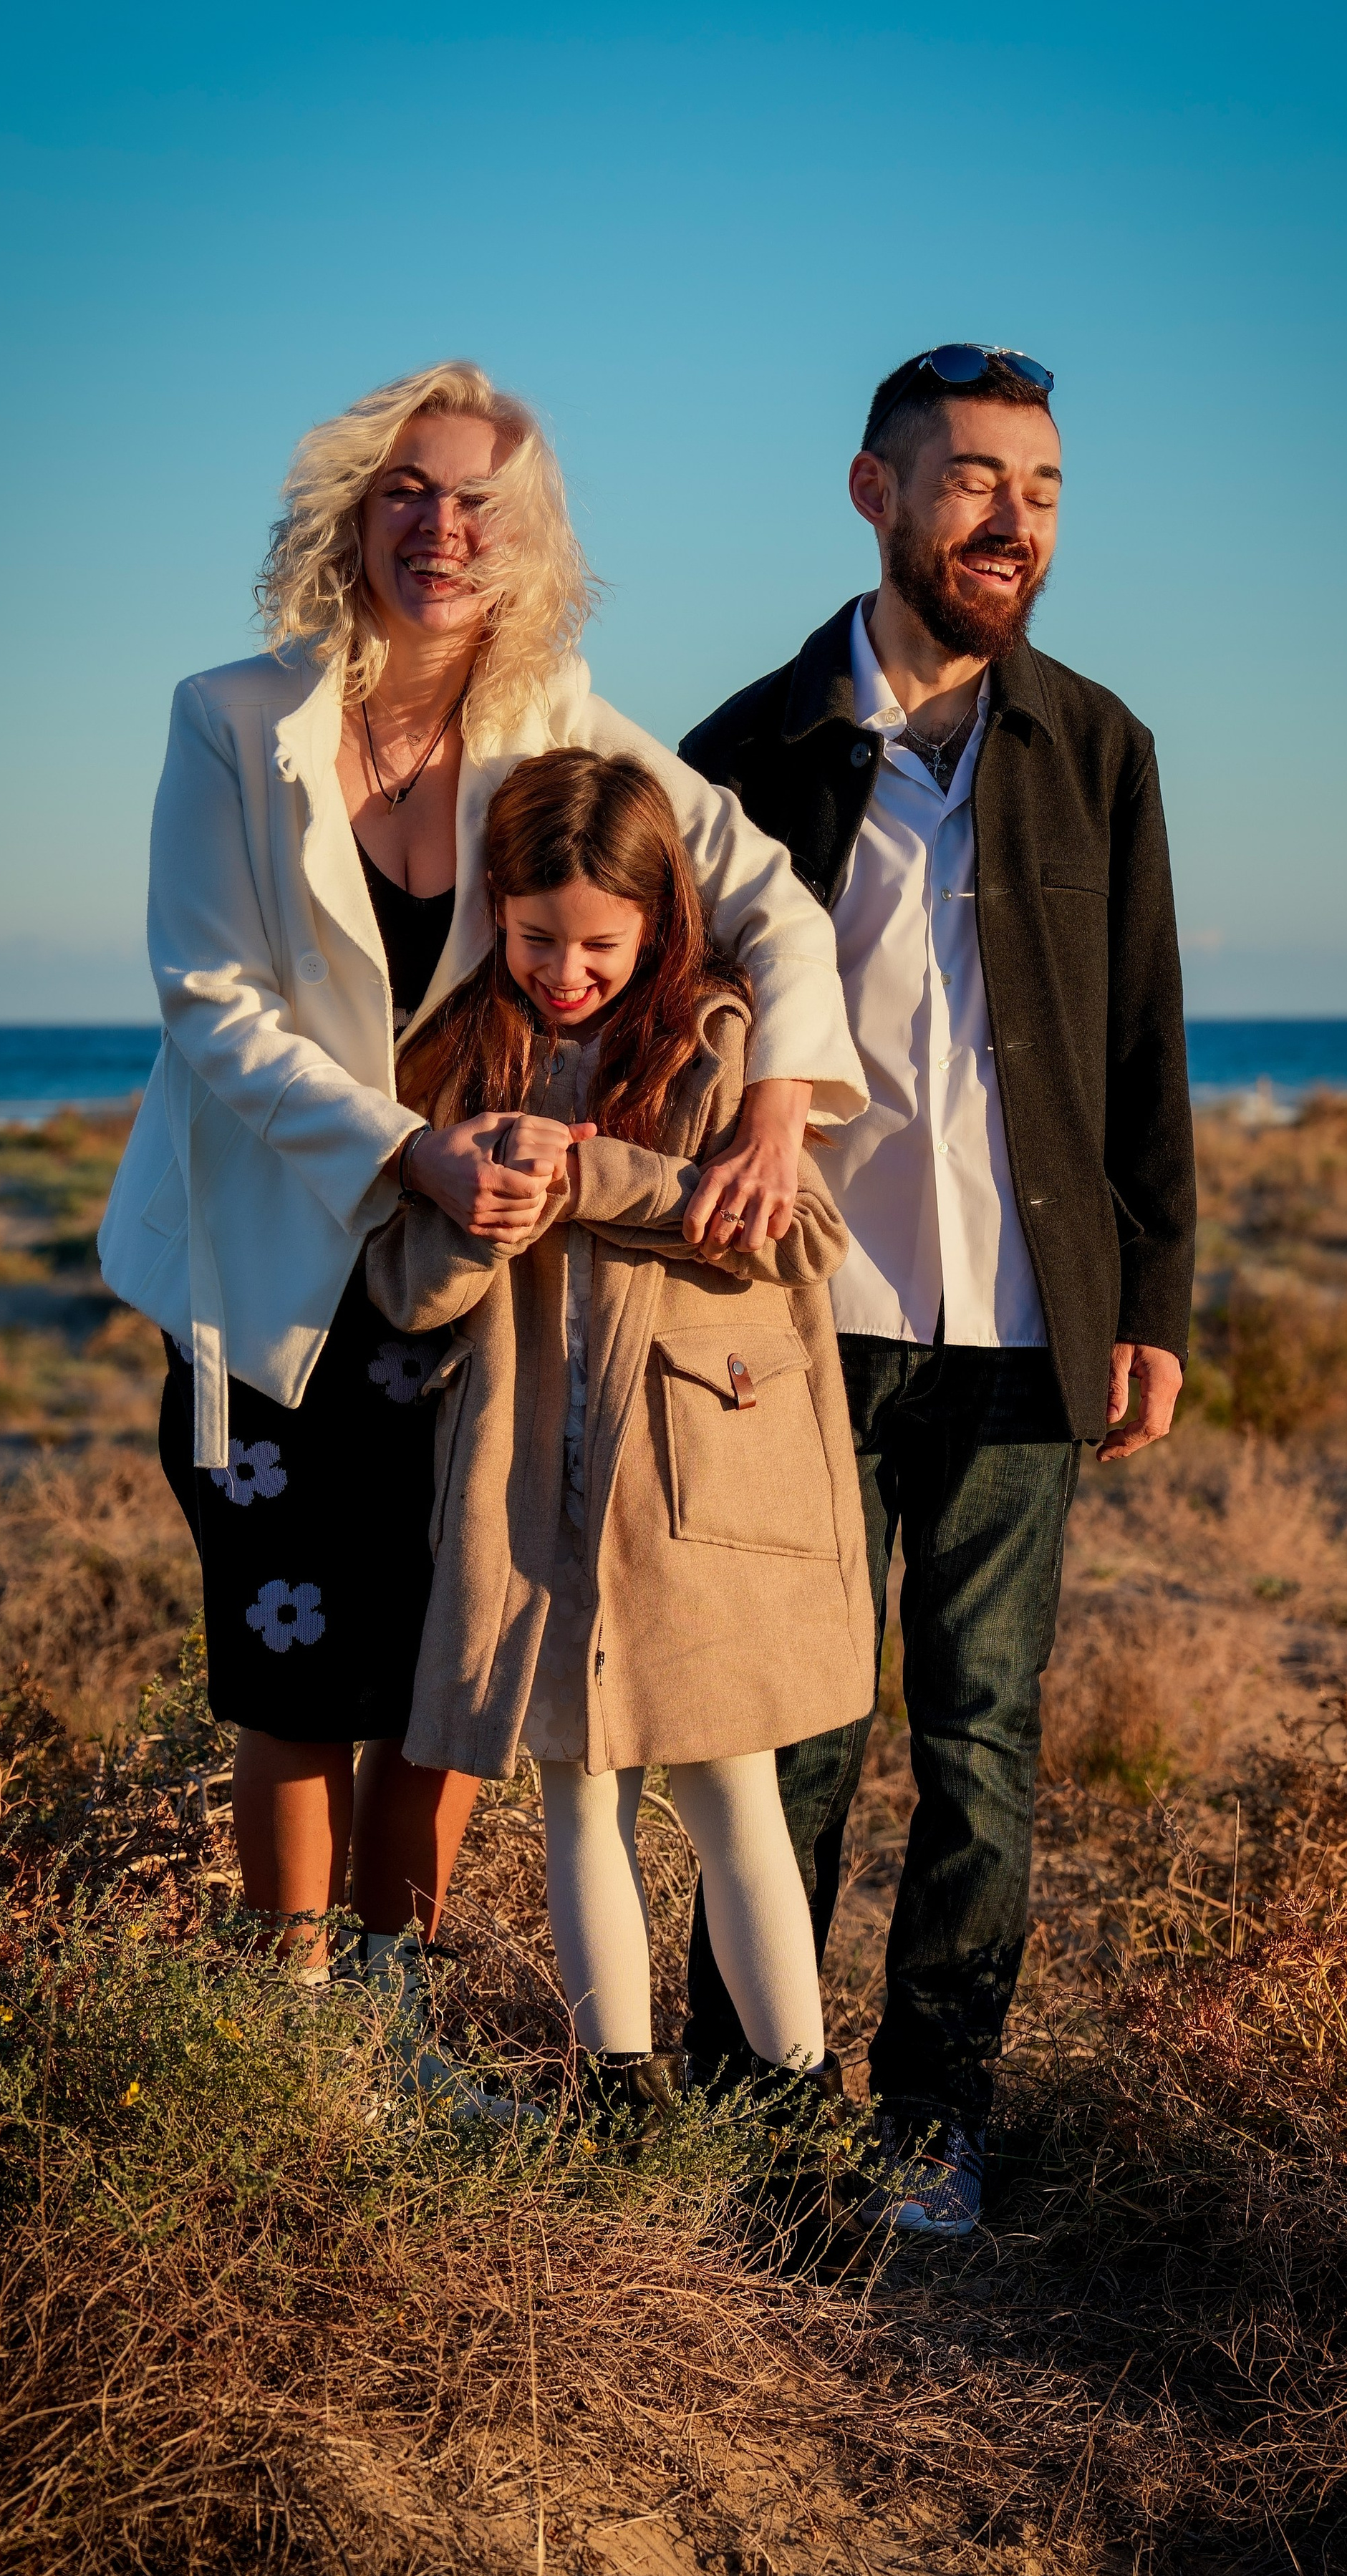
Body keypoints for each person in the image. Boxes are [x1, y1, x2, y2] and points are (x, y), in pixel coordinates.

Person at [97, 362, 866, 2005]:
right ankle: (293, 2027)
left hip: (452, 1287)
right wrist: (406, 1146)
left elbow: (769, 903)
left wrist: (777, 1108)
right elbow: (205, 999)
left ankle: (392, 2020)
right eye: (406, 492)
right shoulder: (231, 719)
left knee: (440, 1665)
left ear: (523, 543)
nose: (439, 530)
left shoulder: (552, 717)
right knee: (291, 1666)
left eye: (476, 505)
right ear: (349, 516)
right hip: (263, 1277)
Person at [677, 344, 1197, 2234]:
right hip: (794, 1332)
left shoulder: (1101, 749)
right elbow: (659, 1027)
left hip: (1026, 1330)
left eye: (1045, 487)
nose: (1015, 517)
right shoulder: (741, 753)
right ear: (874, 493)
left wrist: (1154, 1298)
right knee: (786, 1737)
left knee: (982, 1745)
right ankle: (745, 2117)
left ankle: (934, 2119)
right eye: (975, 478)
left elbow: (1146, 1043)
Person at [366, 746, 876, 2124]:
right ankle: (624, 2106)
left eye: (600, 942)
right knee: (577, 1795)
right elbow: (405, 1289)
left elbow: (805, 1233)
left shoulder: (716, 1040)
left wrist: (598, 1175)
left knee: (731, 1798)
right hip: (530, 1498)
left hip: (692, 1493)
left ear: (661, 923)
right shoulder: (464, 1051)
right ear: (496, 912)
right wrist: (481, 1220)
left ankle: (796, 2117)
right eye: (537, 938)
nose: (568, 970)